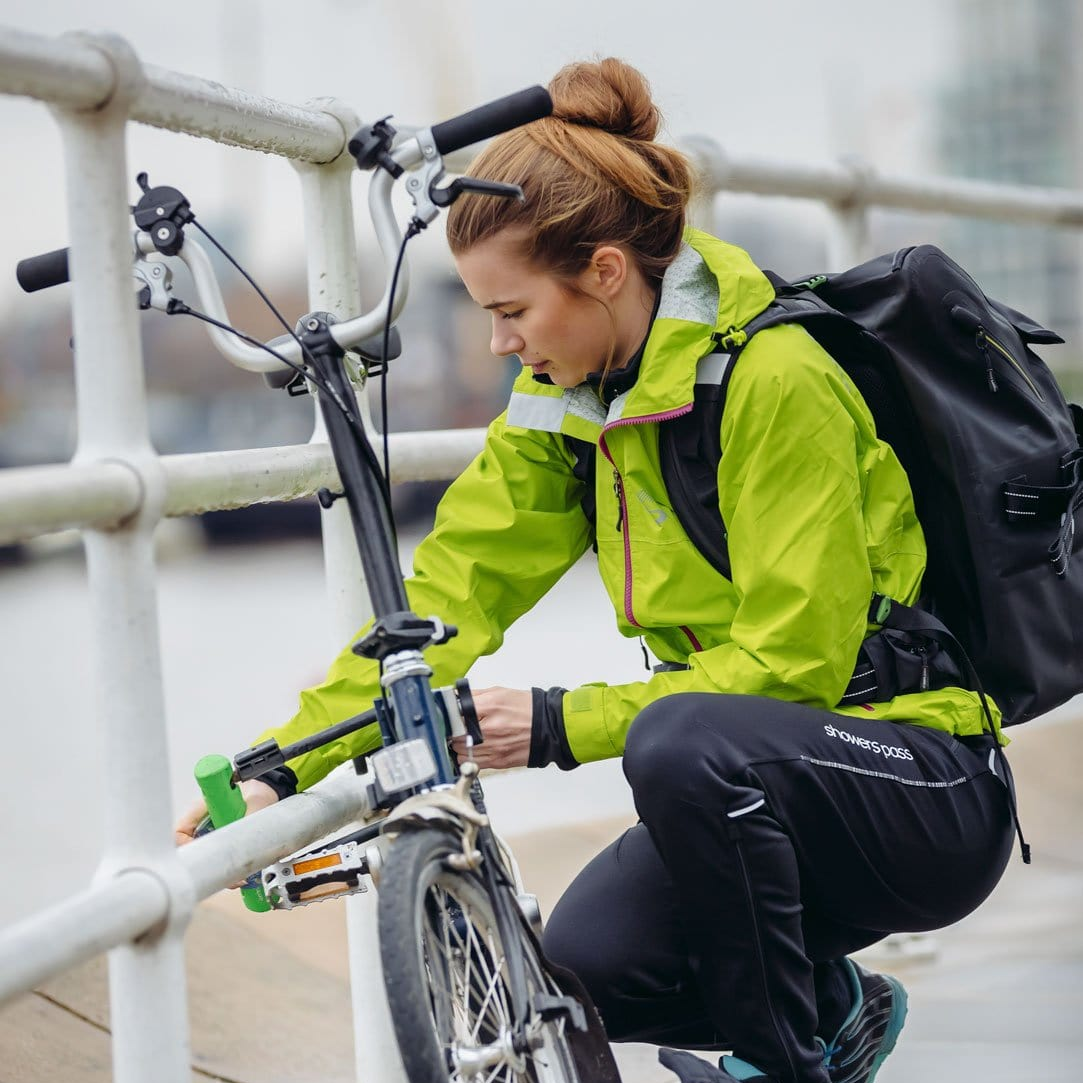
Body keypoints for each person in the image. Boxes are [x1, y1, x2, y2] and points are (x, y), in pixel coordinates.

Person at [176, 58, 1018, 1083]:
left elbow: (794, 664)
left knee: (675, 739)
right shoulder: (568, 408)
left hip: (917, 785)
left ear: (607, 273)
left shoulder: (776, 380)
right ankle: (834, 1010)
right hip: (752, 778)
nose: (496, 342)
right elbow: (445, 602)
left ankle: (782, 1065)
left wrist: (561, 721)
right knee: (579, 967)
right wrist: (284, 763)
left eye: (514, 310)